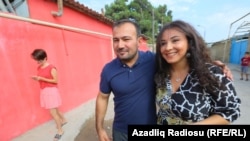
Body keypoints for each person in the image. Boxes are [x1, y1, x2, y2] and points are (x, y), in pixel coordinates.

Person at [95, 19, 234, 141]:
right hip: (121, 131)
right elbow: (102, 97)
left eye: (126, 39)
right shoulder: (108, 70)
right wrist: (100, 128)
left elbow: (179, 58)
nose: (120, 45)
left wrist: (212, 64)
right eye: (116, 40)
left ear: (138, 41)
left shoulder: (153, 61)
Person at [154, 20, 241, 125]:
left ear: (189, 43)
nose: (168, 47)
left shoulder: (212, 73)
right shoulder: (160, 73)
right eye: (163, 43)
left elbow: (230, 111)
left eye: (175, 40)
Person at [31, 49, 67, 141]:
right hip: (44, 90)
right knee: (56, 109)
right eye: (37, 60)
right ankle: (64, 120)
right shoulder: (39, 67)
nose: (38, 62)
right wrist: (37, 79)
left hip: (51, 91)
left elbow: (55, 80)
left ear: (45, 58)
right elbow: (42, 78)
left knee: (53, 113)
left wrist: (41, 78)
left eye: (39, 60)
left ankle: (60, 131)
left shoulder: (52, 67)